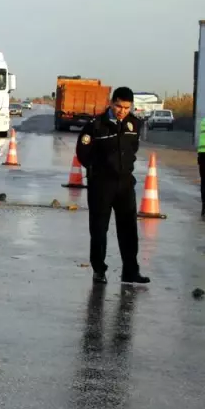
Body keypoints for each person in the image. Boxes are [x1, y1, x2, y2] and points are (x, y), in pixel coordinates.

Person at [75, 86, 150, 285]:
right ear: (111, 102)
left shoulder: (134, 124)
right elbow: (83, 153)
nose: (122, 111)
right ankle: (99, 270)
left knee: (128, 229)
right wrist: (97, 171)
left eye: (126, 107)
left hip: (125, 185)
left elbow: (132, 150)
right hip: (101, 185)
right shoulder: (96, 125)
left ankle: (130, 271)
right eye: (118, 106)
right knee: (99, 229)